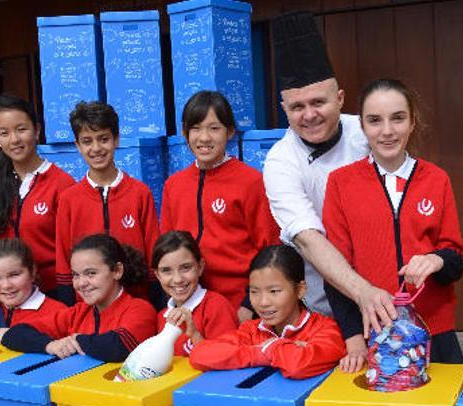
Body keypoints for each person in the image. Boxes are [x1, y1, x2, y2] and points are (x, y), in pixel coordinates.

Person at [263, 11, 396, 371]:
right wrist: (362, 294)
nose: (309, 114)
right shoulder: (279, 161)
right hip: (324, 310)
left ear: (339, 97)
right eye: (297, 107)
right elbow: (306, 238)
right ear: (283, 109)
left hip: (392, 296)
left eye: (318, 102)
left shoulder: (368, 132)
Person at [323, 78, 463, 366]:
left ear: (412, 122)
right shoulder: (341, 182)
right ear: (362, 126)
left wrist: (436, 260)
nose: (387, 131)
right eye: (375, 121)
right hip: (372, 331)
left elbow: (456, 259)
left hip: (433, 331)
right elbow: (335, 270)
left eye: (398, 118)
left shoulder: (436, 179)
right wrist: (353, 338)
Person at [160, 91, 279, 321]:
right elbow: (166, 251)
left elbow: (269, 249)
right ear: (185, 132)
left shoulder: (251, 181)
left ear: (230, 132)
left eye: (214, 128)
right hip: (189, 302)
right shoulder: (174, 185)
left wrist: (249, 304)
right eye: (195, 128)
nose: (204, 138)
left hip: (240, 304)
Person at [54, 101, 161, 307]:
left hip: (135, 304)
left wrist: (155, 304)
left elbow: (153, 254)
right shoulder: (69, 199)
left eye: (103, 139)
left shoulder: (140, 193)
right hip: (86, 307)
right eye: (87, 141)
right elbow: (63, 259)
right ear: (77, 145)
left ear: (116, 140)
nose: (96, 148)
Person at [189, 244, 346, 379]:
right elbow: (200, 355)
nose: (263, 302)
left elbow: (297, 365)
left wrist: (254, 351)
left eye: (274, 291)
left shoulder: (325, 329)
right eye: (254, 291)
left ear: (300, 289)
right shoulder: (251, 330)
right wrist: (264, 352)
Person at [0, 233, 157, 362]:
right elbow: (17, 333)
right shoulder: (78, 312)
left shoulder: (139, 309)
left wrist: (76, 340)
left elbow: (118, 347)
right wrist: (50, 345)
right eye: (75, 275)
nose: (81, 283)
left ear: (117, 271)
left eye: (91, 273)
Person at [0, 94, 74, 296]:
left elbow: (71, 250)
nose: (14, 139)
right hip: (9, 296)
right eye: (4, 133)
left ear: (37, 130)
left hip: (54, 293)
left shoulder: (62, 184)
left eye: (21, 129)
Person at [152, 230, 239, 356]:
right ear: (157, 275)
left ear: (200, 267)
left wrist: (194, 335)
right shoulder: (162, 317)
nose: (178, 279)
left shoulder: (216, 307)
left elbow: (227, 358)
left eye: (186, 267)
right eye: (166, 271)